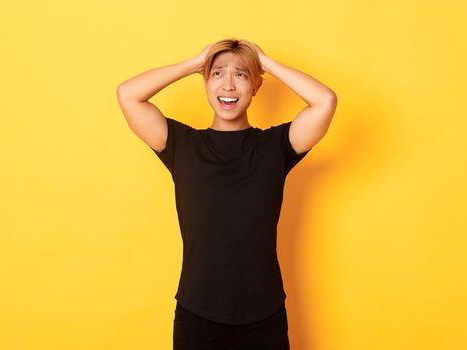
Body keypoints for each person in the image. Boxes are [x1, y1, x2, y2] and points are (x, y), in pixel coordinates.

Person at [116, 38, 337, 349]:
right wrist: (196, 62)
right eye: (218, 73)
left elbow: (325, 101)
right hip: (198, 313)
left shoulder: (275, 146)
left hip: (264, 314)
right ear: (205, 82)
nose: (229, 86)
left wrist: (263, 61)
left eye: (242, 75)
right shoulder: (182, 145)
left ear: (257, 85)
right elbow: (128, 95)